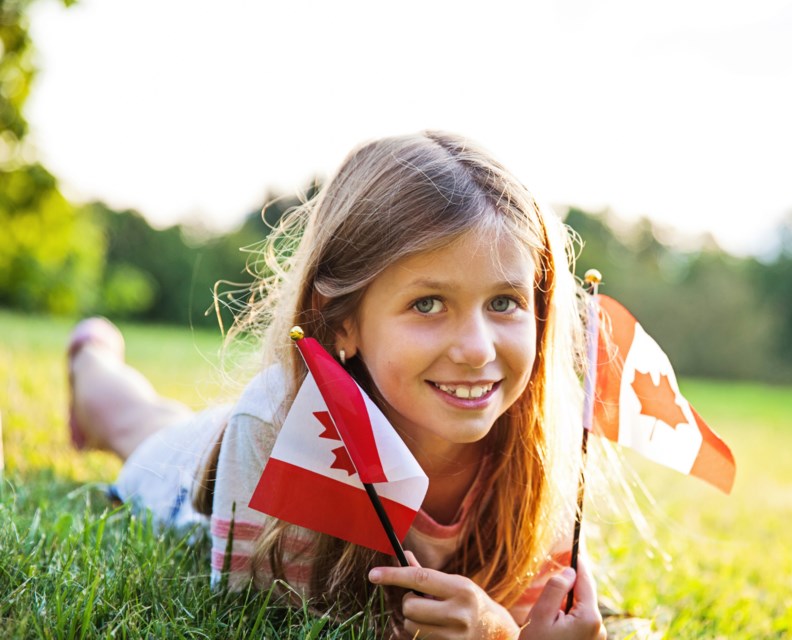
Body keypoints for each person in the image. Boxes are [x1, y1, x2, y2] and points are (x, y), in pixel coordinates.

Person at [68, 131, 641, 639]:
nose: (477, 349)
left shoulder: (543, 447)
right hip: (195, 476)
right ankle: (92, 355)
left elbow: (525, 617)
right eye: (428, 303)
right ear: (343, 322)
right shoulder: (273, 429)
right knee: (134, 420)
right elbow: (252, 618)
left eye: (504, 302)